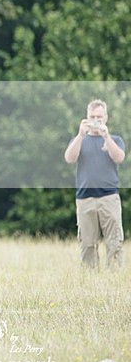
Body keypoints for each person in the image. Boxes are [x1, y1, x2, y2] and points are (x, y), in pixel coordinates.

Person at [64, 99, 125, 268]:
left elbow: (119, 157)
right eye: (92, 117)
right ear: (86, 118)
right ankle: (90, 277)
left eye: (99, 117)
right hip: (85, 199)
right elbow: (69, 158)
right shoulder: (79, 140)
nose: (96, 120)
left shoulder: (115, 139)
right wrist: (80, 135)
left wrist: (106, 136)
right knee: (87, 244)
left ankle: (114, 276)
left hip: (109, 197)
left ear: (106, 118)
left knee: (114, 242)